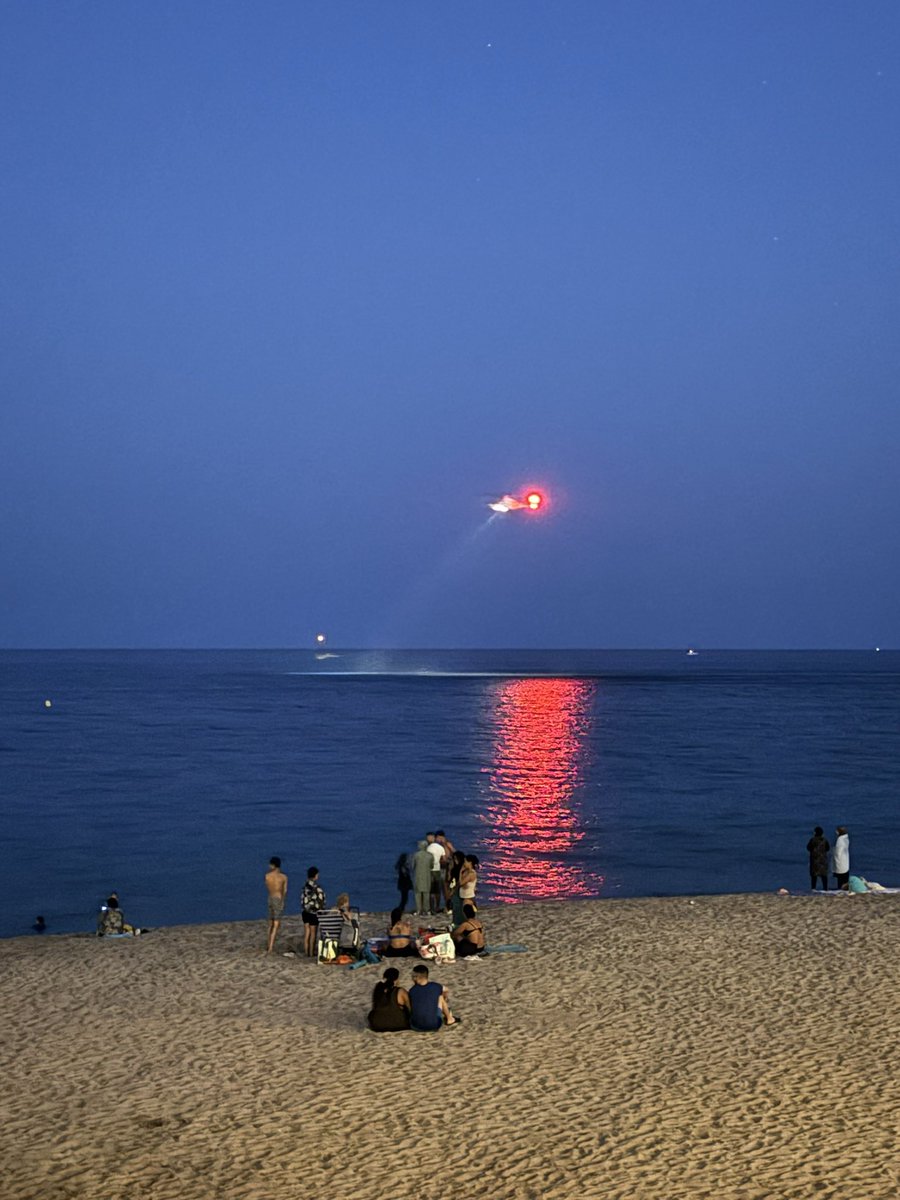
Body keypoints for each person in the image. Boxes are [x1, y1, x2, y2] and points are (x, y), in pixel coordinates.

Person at [408, 964, 459, 1031]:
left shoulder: (412, 990)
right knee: (440, 997)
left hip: (415, 1026)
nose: (412, 978)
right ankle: (450, 1019)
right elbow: (446, 990)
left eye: (413, 976)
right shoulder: (436, 986)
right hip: (434, 1025)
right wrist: (445, 998)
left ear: (416, 977)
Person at [366, 967, 411, 1032]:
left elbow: (375, 1006)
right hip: (398, 1024)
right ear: (396, 979)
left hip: (377, 1025)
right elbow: (410, 1009)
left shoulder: (378, 988)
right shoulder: (400, 991)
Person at [301, 866, 325, 958]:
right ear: (315, 876)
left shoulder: (304, 887)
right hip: (313, 913)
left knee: (307, 932)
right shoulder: (317, 887)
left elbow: (302, 899)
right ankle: (311, 953)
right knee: (313, 933)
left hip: (305, 912)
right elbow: (321, 900)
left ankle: (306, 951)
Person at [265, 856, 288, 954]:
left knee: (270, 922)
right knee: (276, 923)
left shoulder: (267, 876)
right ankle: (270, 946)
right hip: (278, 898)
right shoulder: (283, 877)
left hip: (270, 898)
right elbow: (285, 891)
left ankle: (268, 943)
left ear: (273, 865)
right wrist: (283, 901)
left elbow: (268, 886)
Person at [411, 840, 433, 916]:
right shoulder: (430, 856)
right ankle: (427, 910)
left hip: (418, 876)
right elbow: (432, 866)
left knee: (418, 894)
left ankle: (418, 910)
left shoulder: (416, 855)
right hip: (427, 876)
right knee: (427, 894)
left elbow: (412, 866)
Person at [335, 892, 360, 958]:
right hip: (345, 936)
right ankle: (355, 948)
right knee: (355, 926)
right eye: (347, 902)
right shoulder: (344, 912)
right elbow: (350, 919)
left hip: (333, 934)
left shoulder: (334, 912)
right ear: (345, 903)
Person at [426, 832, 445, 915]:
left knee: (431, 891)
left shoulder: (428, 848)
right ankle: (437, 906)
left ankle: (431, 907)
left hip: (430, 870)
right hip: (437, 869)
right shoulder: (440, 848)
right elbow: (443, 859)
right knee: (437, 890)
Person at [806, 826, 830, 891]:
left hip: (814, 859)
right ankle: (825, 888)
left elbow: (808, 848)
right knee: (824, 875)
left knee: (814, 875)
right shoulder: (824, 840)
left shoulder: (812, 840)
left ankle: (813, 888)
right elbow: (828, 848)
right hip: (823, 859)